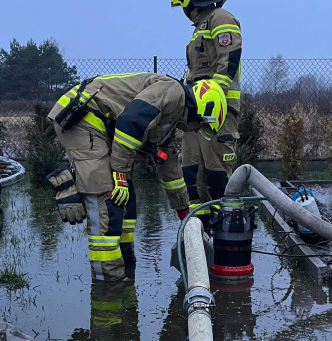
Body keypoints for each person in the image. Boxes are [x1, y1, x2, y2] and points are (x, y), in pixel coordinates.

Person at [47, 72, 227, 282]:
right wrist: (120, 175)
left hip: (99, 124)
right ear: (202, 109)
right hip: (83, 118)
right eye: (200, 125)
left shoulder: (172, 115)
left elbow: (169, 165)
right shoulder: (172, 91)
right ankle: (108, 284)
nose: (195, 129)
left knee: (126, 199)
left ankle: (127, 266)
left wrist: (183, 210)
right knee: (106, 197)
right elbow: (130, 121)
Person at [171, 0, 242, 226]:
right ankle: (198, 231)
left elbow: (229, 58)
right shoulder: (200, 27)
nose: (184, 11)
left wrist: (217, 96)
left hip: (218, 111)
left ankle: (227, 228)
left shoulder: (220, 18)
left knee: (216, 173)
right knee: (191, 173)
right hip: (195, 111)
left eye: (184, 5)